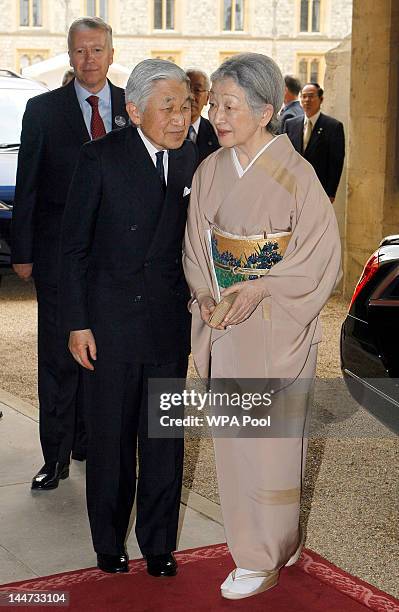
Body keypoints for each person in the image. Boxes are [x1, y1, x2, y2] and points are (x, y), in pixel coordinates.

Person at [183, 53, 341, 600]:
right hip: (227, 324)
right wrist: (206, 294)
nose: (217, 117)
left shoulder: (297, 174)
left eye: (230, 107)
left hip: (276, 324)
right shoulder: (209, 171)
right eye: (214, 106)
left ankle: (266, 552)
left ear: (266, 111)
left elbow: (322, 255)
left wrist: (262, 288)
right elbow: (196, 250)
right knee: (235, 441)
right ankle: (261, 546)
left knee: (273, 443)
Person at [59, 59, 197, 575]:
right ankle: (109, 541)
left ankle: (159, 544)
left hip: (166, 325)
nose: (180, 117)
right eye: (168, 106)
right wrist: (77, 322)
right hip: (109, 327)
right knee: (112, 441)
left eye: (185, 106)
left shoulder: (193, 163)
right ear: (135, 110)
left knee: (163, 439)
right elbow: (71, 249)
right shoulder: (99, 159)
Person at [11, 17, 128, 491]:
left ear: (111, 53)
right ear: (70, 55)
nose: (89, 60)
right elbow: (29, 185)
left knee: (109, 355)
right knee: (59, 357)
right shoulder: (42, 111)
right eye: (80, 51)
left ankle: (92, 443)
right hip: (59, 258)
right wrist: (23, 251)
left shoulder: (131, 106)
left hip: (118, 260)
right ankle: (55, 456)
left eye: (97, 50)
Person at [284, 82, 345, 203]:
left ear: (321, 99)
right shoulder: (290, 124)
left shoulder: (333, 127)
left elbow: (336, 162)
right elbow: (284, 156)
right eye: (304, 96)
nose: (307, 100)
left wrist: (331, 192)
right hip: (292, 189)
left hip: (319, 189)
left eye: (311, 96)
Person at [186, 68, 220, 165]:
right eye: (187, 89)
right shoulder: (164, 131)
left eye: (197, 90)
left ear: (207, 98)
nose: (191, 96)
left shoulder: (217, 133)